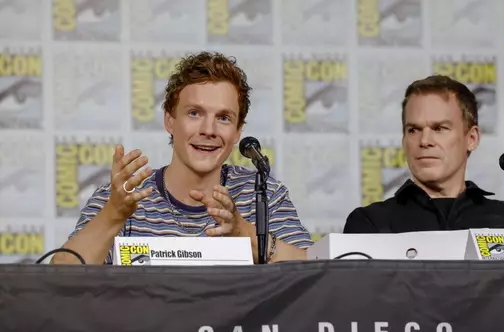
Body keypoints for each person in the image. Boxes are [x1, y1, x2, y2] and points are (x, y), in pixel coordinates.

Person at [53, 51, 312, 265]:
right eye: (194, 113)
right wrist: (113, 215)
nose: (208, 130)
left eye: (223, 118)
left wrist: (247, 237)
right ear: (170, 120)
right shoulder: (125, 198)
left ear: (237, 133)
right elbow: (60, 283)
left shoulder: (263, 194)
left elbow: (320, 275)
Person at [343, 75, 504, 233]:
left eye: (439, 128)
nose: (424, 141)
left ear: (471, 138)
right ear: (404, 140)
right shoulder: (370, 224)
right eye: (413, 130)